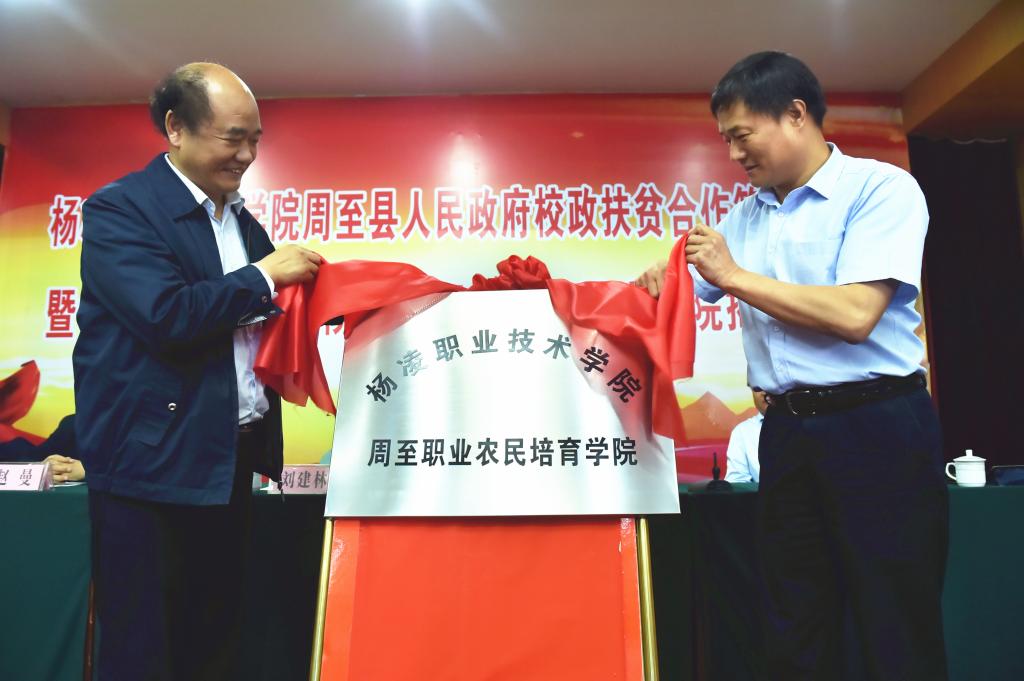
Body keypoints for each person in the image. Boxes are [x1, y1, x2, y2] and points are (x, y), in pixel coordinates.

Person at [636, 51, 947, 680]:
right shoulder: (746, 216)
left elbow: (856, 313)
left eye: (742, 135)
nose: (733, 154)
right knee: (793, 620)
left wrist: (732, 275)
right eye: (725, 140)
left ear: (796, 114)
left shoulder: (880, 190)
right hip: (786, 434)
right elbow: (678, 291)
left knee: (893, 618)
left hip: (877, 427)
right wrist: (650, 284)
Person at [74, 62, 321, 680]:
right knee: (143, 648)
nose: (247, 155)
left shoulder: (240, 222)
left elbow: (267, 314)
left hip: (226, 461)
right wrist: (264, 276)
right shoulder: (121, 210)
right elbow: (166, 315)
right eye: (233, 138)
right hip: (148, 469)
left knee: (212, 640)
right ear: (176, 128)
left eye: (255, 139)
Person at [724, 390, 766, 484]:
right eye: (758, 388)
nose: (764, 393)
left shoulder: (798, 424)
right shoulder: (742, 432)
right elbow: (738, 483)